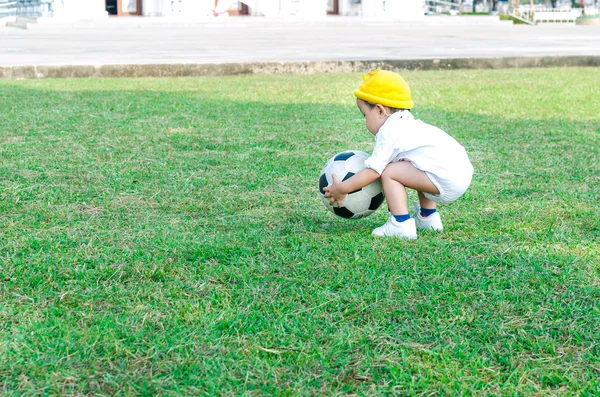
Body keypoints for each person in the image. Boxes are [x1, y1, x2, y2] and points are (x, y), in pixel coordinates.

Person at [323, 69, 473, 240]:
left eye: (365, 114)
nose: (365, 121)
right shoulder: (407, 123)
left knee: (389, 172)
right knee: (415, 165)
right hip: (459, 173)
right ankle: (428, 218)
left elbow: (374, 171)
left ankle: (400, 224)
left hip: (447, 178)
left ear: (380, 110)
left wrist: (342, 188)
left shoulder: (389, 132)